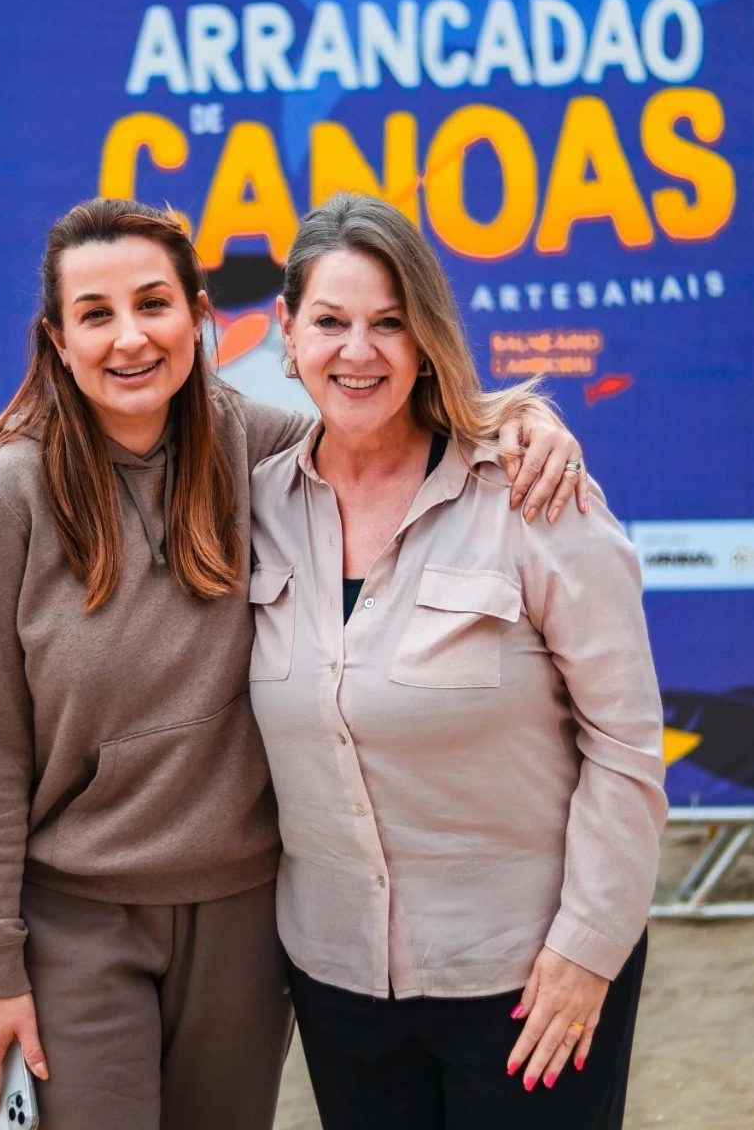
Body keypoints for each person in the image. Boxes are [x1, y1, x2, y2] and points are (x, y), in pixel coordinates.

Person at [0, 197, 587, 1130]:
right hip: (77, 916)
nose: (130, 338)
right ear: (57, 338)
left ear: (199, 316)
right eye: (96, 314)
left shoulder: (261, 448)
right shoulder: (6, 499)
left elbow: (401, 436)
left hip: (245, 917)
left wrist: (519, 425)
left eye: (154, 304)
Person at [247, 192, 667, 1130]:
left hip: (527, 980)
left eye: (389, 323)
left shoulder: (532, 494)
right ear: (286, 328)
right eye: (331, 321)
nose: (358, 352)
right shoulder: (250, 504)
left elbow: (627, 745)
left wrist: (589, 948)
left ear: (428, 332)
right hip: (339, 982)